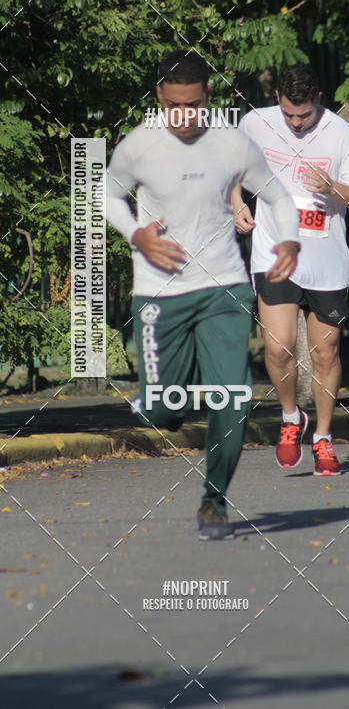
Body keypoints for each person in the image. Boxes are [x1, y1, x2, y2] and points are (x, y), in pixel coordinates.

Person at [105, 50, 300, 538]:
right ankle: (158, 398)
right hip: (159, 293)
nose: (183, 116)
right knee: (167, 409)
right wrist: (136, 235)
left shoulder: (232, 145)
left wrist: (290, 239)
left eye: (192, 105)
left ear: (207, 97)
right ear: (159, 98)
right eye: (173, 106)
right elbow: (105, 193)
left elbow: (277, 195)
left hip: (223, 288)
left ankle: (214, 502)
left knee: (232, 399)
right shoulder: (139, 146)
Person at [231, 64, 349, 475]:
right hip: (274, 254)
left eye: (304, 115)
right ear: (278, 99)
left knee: (325, 351)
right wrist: (236, 202)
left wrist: (332, 186)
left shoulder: (341, 136)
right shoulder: (254, 124)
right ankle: (292, 417)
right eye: (289, 114)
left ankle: (324, 438)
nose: (296, 123)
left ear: (319, 101)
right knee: (277, 348)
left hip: (326, 260)